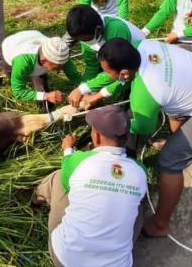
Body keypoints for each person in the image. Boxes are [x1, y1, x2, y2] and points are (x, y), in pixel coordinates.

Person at [95, 38, 192, 237]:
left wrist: (113, 125)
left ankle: (160, 225)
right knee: (174, 116)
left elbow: (142, 127)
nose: (106, 74)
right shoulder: (146, 45)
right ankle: (179, 142)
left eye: (107, 71)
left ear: (124, 73)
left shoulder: (147, 91)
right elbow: (173, 106)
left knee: (169, 160)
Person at [33, 105, 147, 267]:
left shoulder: (80, 161)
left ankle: (35, 198)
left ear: (97, 138)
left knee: (59, 178)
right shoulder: (139, 171)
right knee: (138, 205)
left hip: (65, 259)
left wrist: (67, 149)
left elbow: (67, 173)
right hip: (117, 264)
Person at [64, 5, 145, 109]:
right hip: (115, 65)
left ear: (98, 30)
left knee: (132, 97)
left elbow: (117, 72)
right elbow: (91, 65)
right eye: (81, 40)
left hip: (137, 66)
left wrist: (83, 89)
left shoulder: (116, 30)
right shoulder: (87, 35)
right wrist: (85, 87)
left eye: (85, 39)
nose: (85, 43)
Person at [1, 31, 81, 109]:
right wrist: (45, 96)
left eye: (62, 66)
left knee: (44, 98)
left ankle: (44, 108)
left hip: (33, 35)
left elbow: (74, 76)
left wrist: (83, 89)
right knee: (14, 77)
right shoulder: (22, 62)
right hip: (11, 45)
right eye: (56, 67)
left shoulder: (59, 54)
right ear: (43, 60)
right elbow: (18, 92)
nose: (59, 71)